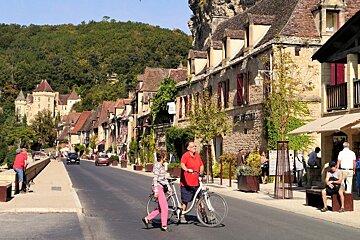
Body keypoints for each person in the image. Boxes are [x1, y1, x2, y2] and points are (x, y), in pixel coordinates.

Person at [142, 150, 171, 232]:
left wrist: (169, 188)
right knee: (165, 206)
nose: (166, 157)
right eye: (165, 155)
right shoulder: (157, 166)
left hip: (161, 186)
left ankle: (147, 218)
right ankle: (164, 225)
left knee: (161, 208)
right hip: (158, 187)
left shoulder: (162, 166)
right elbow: (155, 178)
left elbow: (164, 178)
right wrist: (156, 191)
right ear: (162, 157)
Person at [180, 140, 204, 224]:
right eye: (193, 146)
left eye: (195, 146)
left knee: (200, 199)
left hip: (196, 182)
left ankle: (204, 215)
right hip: (187, 183)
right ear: (188, 148)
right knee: (185, 201)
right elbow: (182, 164)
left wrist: (201, 172)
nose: (195, 147)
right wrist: (187, 169)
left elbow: (201, 164)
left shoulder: (197, 155)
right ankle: (182, 215)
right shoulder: (185, 156)